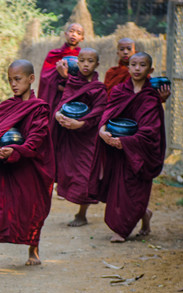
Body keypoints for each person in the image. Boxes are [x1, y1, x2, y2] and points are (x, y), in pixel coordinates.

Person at [0, 60, 53, 269]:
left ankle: (33, 250)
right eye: (10, 80)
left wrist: (17, 151)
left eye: (17, 79)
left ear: (31, 79)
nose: (13, 84)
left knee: (33, 207)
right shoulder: (6, 106)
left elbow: (37, 138)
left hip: (29, 167)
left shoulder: (39, 108)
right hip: (5, 167)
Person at [89, 52, 166, 243]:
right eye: (134, 64)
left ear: (151, 70)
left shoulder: (151, 97)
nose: (137, 68)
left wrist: (126, 142)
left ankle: (121, 230)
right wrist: (102, 132)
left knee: (134, 188)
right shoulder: (118, 91)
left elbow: (151, 130)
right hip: (117, 149)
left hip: (139, 151)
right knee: (120, 188)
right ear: (128, 67)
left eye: (142, 65)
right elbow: (107, 115)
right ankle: (144, 215)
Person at [53, 48, 106, 227]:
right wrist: (58, 114)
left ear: (97, 64)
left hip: (89, 138)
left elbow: (100, 111)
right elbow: (63, 101)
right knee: (69, 170)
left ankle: (82, 214)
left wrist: (82, 124)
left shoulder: (99, 88)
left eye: (90, 61)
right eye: (82, 60)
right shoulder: (73, 82)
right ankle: (76, 207)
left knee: (85, 175)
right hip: (71, 136)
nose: (85, 64)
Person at [37, 23, 84, 117]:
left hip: (74, 99)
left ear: (82, 38)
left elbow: (85, 81)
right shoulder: (54, 54)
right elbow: (45, 78)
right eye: (71, 31)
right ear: (65, 34)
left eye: (78, 33)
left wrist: (65, 77)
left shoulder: (83, 57)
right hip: (55, 98)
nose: (74, 34)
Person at [104, 38, 171, 102]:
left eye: (129, 49)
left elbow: (148, 95)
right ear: (118, 53)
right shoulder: (112, 72)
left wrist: (161, 97)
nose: (125, 52)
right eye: (122, 49)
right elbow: (106, 96)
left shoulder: (141, 72)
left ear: (134, 51)